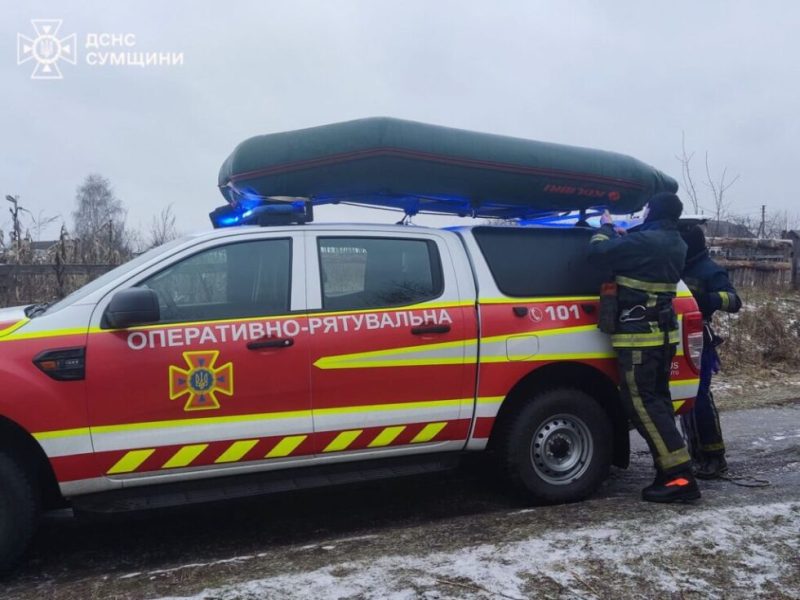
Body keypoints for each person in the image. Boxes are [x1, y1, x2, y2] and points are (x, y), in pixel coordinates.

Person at [588, 193, 700, 503]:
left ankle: (680, 478)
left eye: (647, 208)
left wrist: (607, 227)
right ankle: (676, 469)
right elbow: (642, 258)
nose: (643, 211)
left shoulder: (646, 242)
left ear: (655, 211)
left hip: (640, 339)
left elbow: (597, 252)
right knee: (658, 402)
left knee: (641, 404)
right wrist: (628, 237)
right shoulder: (673, 241)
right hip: (660, 337)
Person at [679, 224, 742, 478]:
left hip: (700, 343)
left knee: (700, 398)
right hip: (679, 339)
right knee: (685, 400)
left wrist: (711, 300)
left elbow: (734, 301)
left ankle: (715, 457)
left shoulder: (709, 270)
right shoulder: (678, 267)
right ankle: (696, 454)